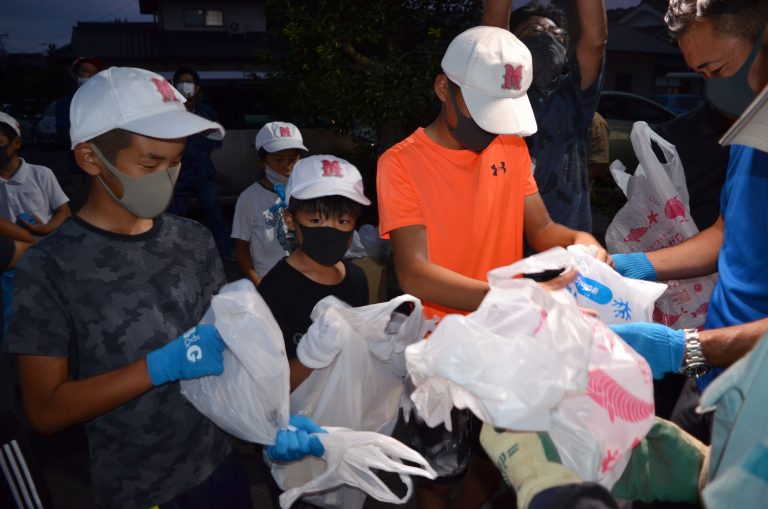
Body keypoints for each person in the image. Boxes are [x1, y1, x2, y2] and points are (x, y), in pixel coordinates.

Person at [1, 67, 324, 508]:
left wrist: (271, 421)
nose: (168, 176)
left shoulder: (193, 240)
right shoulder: (50, 265)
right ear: (90, 158)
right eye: (151, 163)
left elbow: (228, 355)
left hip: (222, 465)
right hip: (142, 489)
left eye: (175, 162)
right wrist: (157, 367)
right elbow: (44, 410)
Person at [376, 25, 609, 509]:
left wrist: (580, 240)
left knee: (500, 460)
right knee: (437, 473)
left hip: (508, 342)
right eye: (482, 112)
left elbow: (541, 228)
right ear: (445, 89)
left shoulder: (510, 145)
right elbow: (415, 273)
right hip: (439, 350)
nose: (492, 129)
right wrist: (519, 294)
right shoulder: (401, 163)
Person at [610, 0, 768, 442]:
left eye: (716, 70)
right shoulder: (751, 128)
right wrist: (635, 264)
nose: (711, 89)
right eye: (699, 74)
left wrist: (686, 348)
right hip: (710, 364)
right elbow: (727, 231)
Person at [484, 0, 607, 232]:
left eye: (557, 34)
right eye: (534, 31)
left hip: (566, 240)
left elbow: (595, 42)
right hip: (505, 236)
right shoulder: (500, 93)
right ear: (514, 44)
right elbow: (492, 32)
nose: (547, 38)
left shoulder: (574, 96)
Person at [258, 154, 369, 391]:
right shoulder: (274, 290)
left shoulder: (357, 279)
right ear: (290, 220)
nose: (330, 232)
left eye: (342, 221)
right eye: (316, 220)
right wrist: (312, 355)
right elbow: (267, 382)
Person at [168, 66, 233, 260]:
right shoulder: (169, 112)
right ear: (173, 87)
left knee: (215, 215)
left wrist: (199, 134)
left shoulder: (206, 112)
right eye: (181, 82)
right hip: (178, 174)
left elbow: (216, 140)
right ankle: (174, 256)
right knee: (175, 219)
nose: (185, 86)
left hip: (203, 173)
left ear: (196, 88)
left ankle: (226, 251)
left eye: (189, 82)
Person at [232, 121, 307, 287]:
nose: (287, 166)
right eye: (279, 159)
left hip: (304, 282)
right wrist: (259, 284)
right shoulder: (249, 198)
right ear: (261, 162)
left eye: (293, 159)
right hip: (268, 282)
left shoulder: (306, 194)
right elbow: (242, 248)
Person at [0, 112, 71, 238]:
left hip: (43, 250)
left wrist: (46, 229)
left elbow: (64, 212)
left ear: (16, 143)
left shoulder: (41, 174)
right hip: (10, 254)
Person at [55, 57, 105, 208]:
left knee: (101, 200)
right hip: (76, 161)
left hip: (102, 160)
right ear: (75, 75)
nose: (90, 76)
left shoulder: (104, 100)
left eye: (94, 73)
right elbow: (64, 133)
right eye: (85, 71)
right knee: (80, 200)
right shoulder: (65, 103)